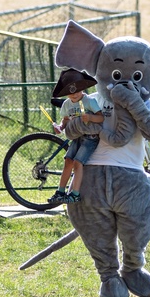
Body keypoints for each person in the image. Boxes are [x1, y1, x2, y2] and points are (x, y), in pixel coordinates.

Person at [48, 69, 103, 204]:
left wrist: (90, 117)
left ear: (82, 88)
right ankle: (60, 192)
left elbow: (101, 118)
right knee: (68, 160)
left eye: (77, 91)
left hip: (90, 137)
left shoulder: (89, 101)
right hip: (76, 136)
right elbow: (66, 120)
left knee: (78, 163)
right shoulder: (67, 104)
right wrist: (59, 127)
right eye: (70, 93)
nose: (74, 95)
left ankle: (75, 194)